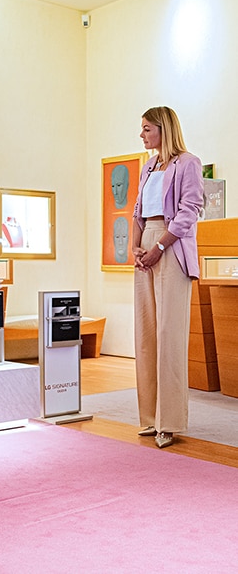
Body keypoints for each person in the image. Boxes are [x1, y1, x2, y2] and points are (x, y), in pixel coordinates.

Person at [132, 106, 204, 449]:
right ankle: (150, 418)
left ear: (164, 129)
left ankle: (169, 422)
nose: (142, 135)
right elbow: (137, 211)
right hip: (147, 245)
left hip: (171, 246)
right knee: (146, 333)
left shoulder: (188, 163)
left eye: (147, 129)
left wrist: (159, 246)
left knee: (168, 334)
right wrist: (135, 247)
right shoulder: (148, 166)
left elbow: (189, 210)